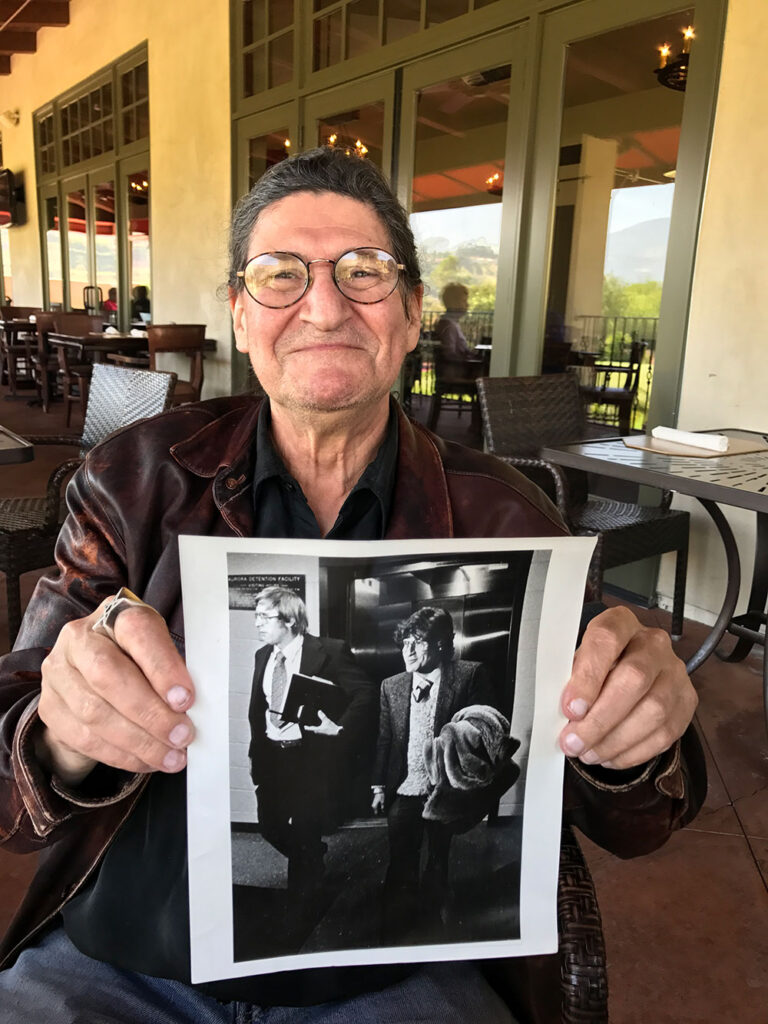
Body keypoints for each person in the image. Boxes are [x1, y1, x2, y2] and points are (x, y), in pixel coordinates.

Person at [0, 146, 704, 1024]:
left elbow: (635, 824)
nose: (324, 306)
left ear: (410, 314)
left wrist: (642, 734)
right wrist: (61, 732)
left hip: (394, 981)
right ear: (239, 311)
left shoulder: (508, 515)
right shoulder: (129, 478)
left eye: (364, 272)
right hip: (130, 961)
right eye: (280, 274)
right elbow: (12, 767)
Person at [371, 606, 496, 931]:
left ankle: (433, 922)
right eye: (404, 643)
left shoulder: (470, 675)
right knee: (401, 857)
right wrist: (379, 786)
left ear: (440, 644)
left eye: (418, 642)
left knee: (438, 857)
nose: (408, 650)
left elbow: (486, 733)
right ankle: (397, 924)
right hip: (405, 787)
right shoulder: (392, 686)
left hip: (444, 790)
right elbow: (385, 739)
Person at [247, 585, 374, 894]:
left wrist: (339, 728)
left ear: (290, 619)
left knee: (304, 832)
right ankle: (312, 857)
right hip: (273, 759)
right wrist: (257, 754)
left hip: (309, 759)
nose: (257, 623)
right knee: (270, 826)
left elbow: (366, 693)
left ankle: (303, 905)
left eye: (265, 616)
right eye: (256, 616)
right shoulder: (262, 655)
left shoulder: (329, 651)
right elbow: (258, 709)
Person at [432, 282, 472, 359]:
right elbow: (449, 355)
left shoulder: (451, 322)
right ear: (454, 303)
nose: (467, 305)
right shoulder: (449, 325)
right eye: (464, 301)